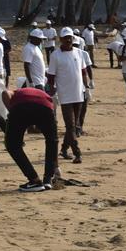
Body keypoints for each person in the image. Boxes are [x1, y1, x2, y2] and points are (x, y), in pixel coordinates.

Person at [2, 87, 59, 192]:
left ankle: (34, 180)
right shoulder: (45, 95)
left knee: (12, 145)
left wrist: (11, 112)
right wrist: (55, 166)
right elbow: (52, 108)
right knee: (52, 141)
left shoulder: (17, 91)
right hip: (45, 107)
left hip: (21, 107)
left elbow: (5, 93)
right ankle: (48, 179)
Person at [47, 27, 89, 164]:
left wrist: (87, 86)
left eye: (70, 37)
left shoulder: (79, 53)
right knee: (70, 126)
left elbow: (83, 71)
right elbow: (51, 76)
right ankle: (77, 152)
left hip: (79, 93)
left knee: (74, 125)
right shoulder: (55, 55)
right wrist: (51, 91)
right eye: (65, 38)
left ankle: (64, 148)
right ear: (61, 39)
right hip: (65, 95)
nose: (68, 40)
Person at [73, 36, 94, 136]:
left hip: (83, 85)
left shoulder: (84, 54)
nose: (75, 47)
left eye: (76, 45)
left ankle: (79, 127)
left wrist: (91, 80)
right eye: (73, 45)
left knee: (83, 108)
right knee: (74, 108)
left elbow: (88, 68)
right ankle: (74, 128)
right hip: (72, 86)